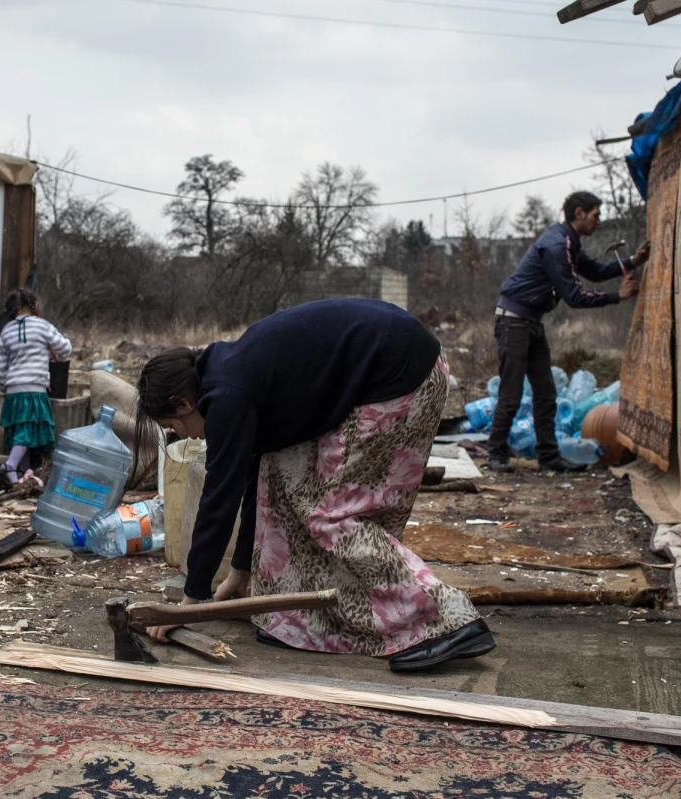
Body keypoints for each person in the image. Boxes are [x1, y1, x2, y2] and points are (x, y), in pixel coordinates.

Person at [134, 299, 495, 671]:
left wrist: (191, 602)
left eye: (172, 426)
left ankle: (444, 622)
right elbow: (252, 480)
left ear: (181, 404)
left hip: (399, 372)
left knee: (334, 514)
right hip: (388, 365)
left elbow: (218, 499)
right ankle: (293, 620)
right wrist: (240, 575)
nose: (181, 435)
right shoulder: (227, 376)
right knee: (279, 479)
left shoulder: (225, 394)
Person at [486, 191, 648, 474]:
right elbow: (574, 296)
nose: (599, 222)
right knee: (511, 393)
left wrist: (633, 260)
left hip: (530, 321)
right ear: (579, 214)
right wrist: (617, 297)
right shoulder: (557, 245)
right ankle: (496, 453)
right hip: (514, 322)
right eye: (596, 215)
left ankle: (548, 456)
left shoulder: (568, 242)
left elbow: (595, 271)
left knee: (546, 392)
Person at [0, 287, 73, 486]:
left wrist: (4, 388)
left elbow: (2, 366)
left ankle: (22, 472)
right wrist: (62, 351)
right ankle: (10, 466)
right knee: (28, 430)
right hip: (34, 387)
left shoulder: (6, 331)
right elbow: (64, 348)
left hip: (13, 389)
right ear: (33, 305)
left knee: (19, 430)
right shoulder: (42, 326)